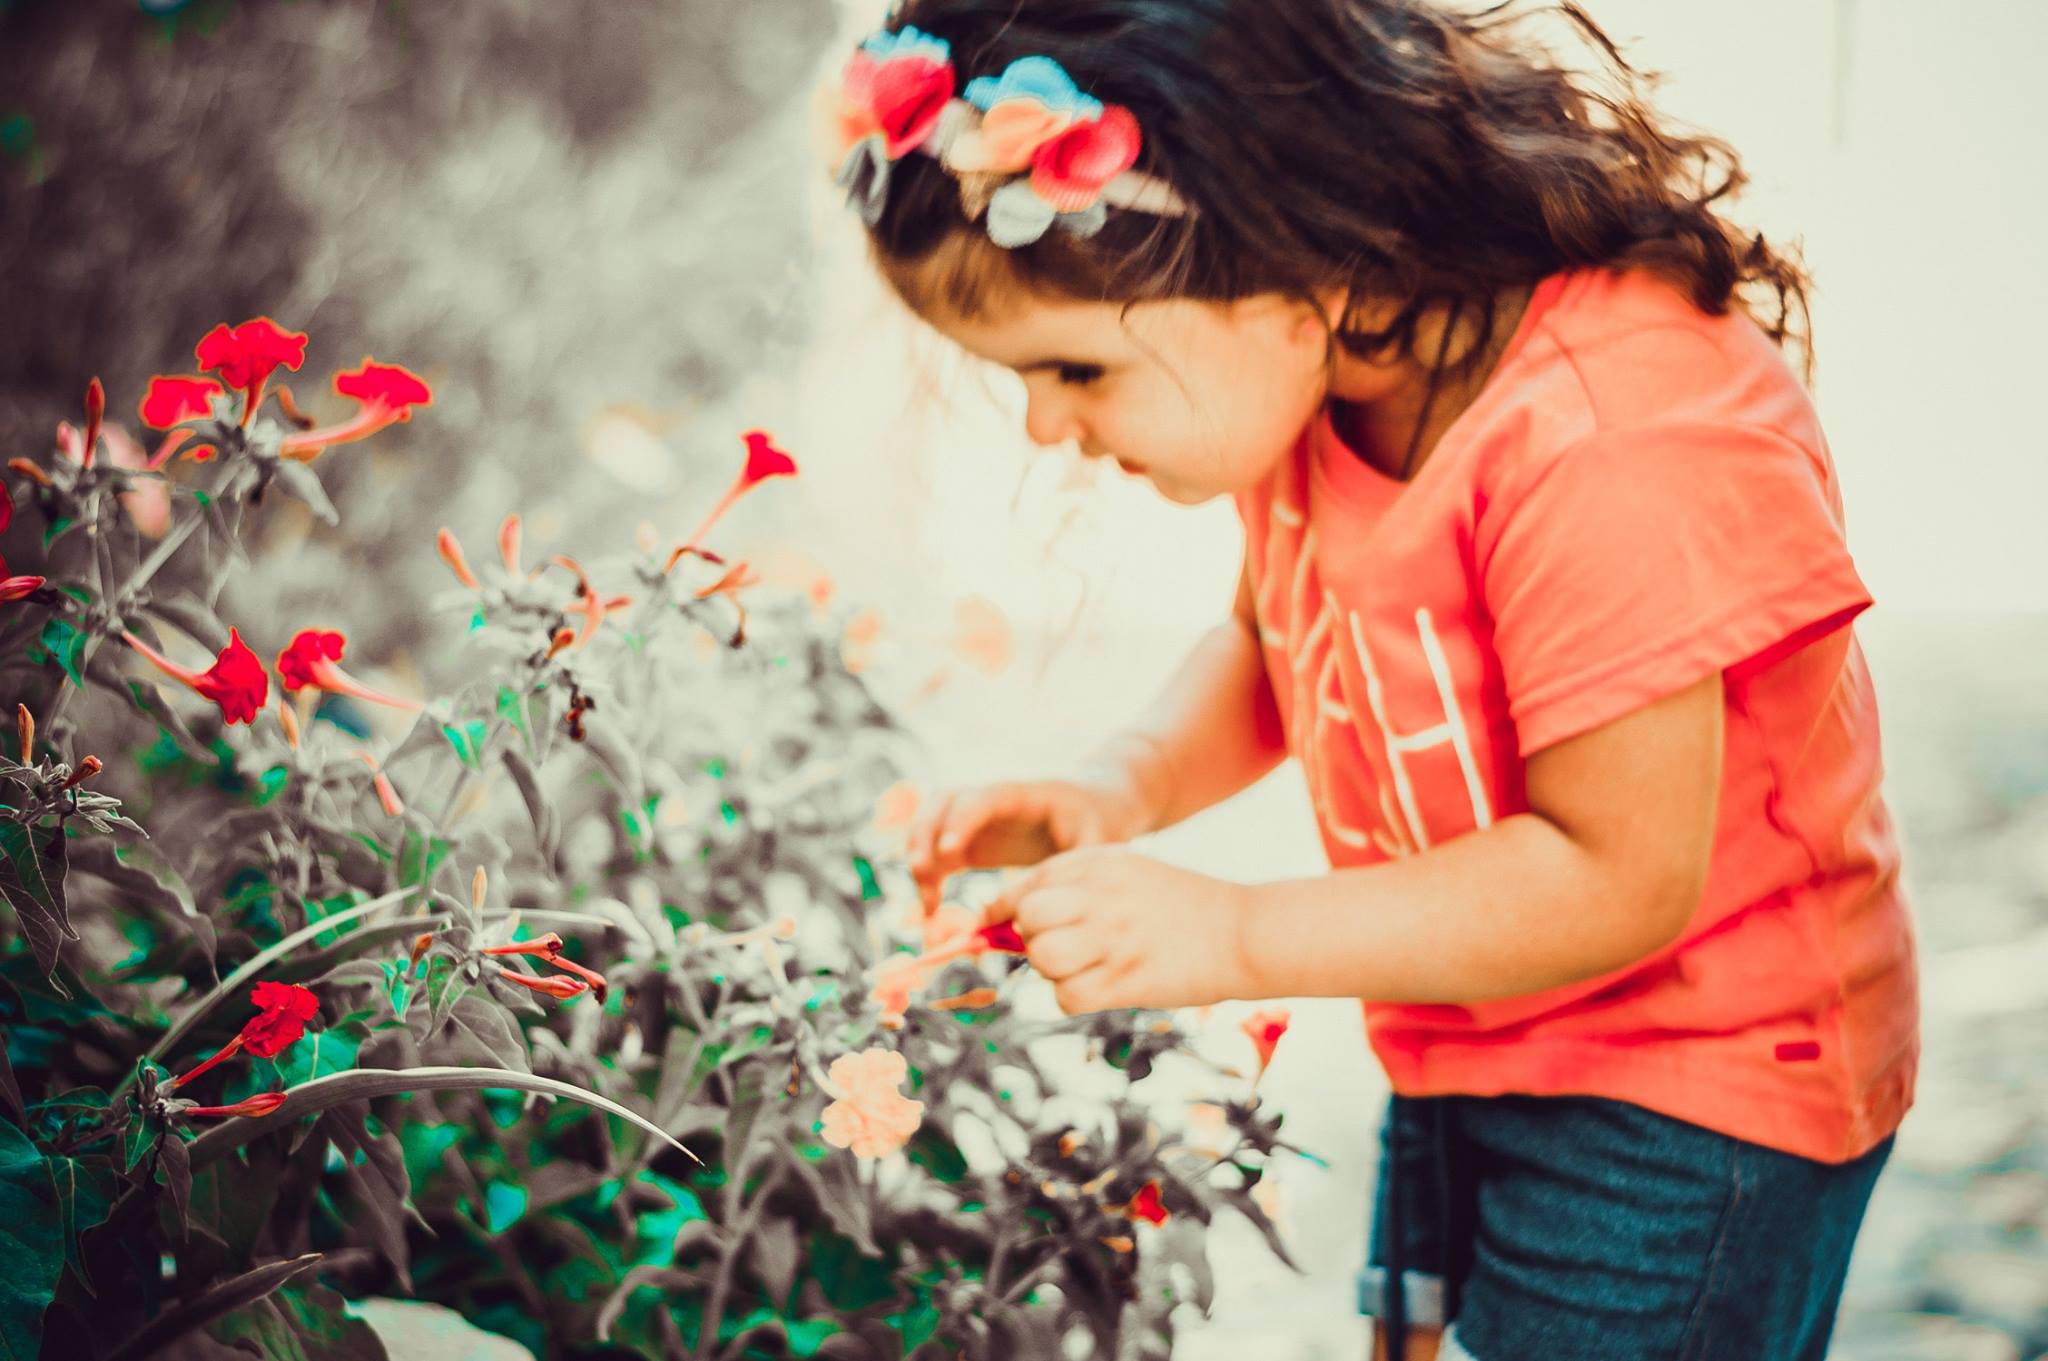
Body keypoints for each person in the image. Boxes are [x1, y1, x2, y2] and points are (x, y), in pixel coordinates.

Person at [826, 3, 1919, 1357]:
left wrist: (1234, 935)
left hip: (1694, 1095)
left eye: (1074, 366)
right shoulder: (1319, 381)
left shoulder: (1609, 441)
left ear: (1298, 250)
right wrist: (1111, 791)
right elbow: (1272, 649)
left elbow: (1619, 873)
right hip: (1480, 1021)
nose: (1049, 425)